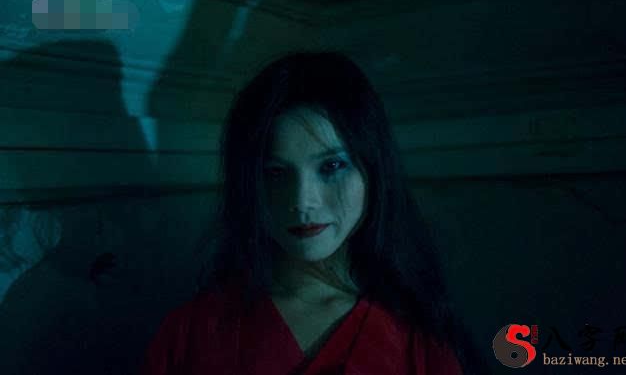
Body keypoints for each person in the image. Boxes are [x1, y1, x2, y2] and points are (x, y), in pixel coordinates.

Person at [139, 52, 487, 374]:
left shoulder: (420, 336)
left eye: (331, 166)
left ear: (373, 170)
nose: (303, 201)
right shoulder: (191, 333)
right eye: (275, 173)